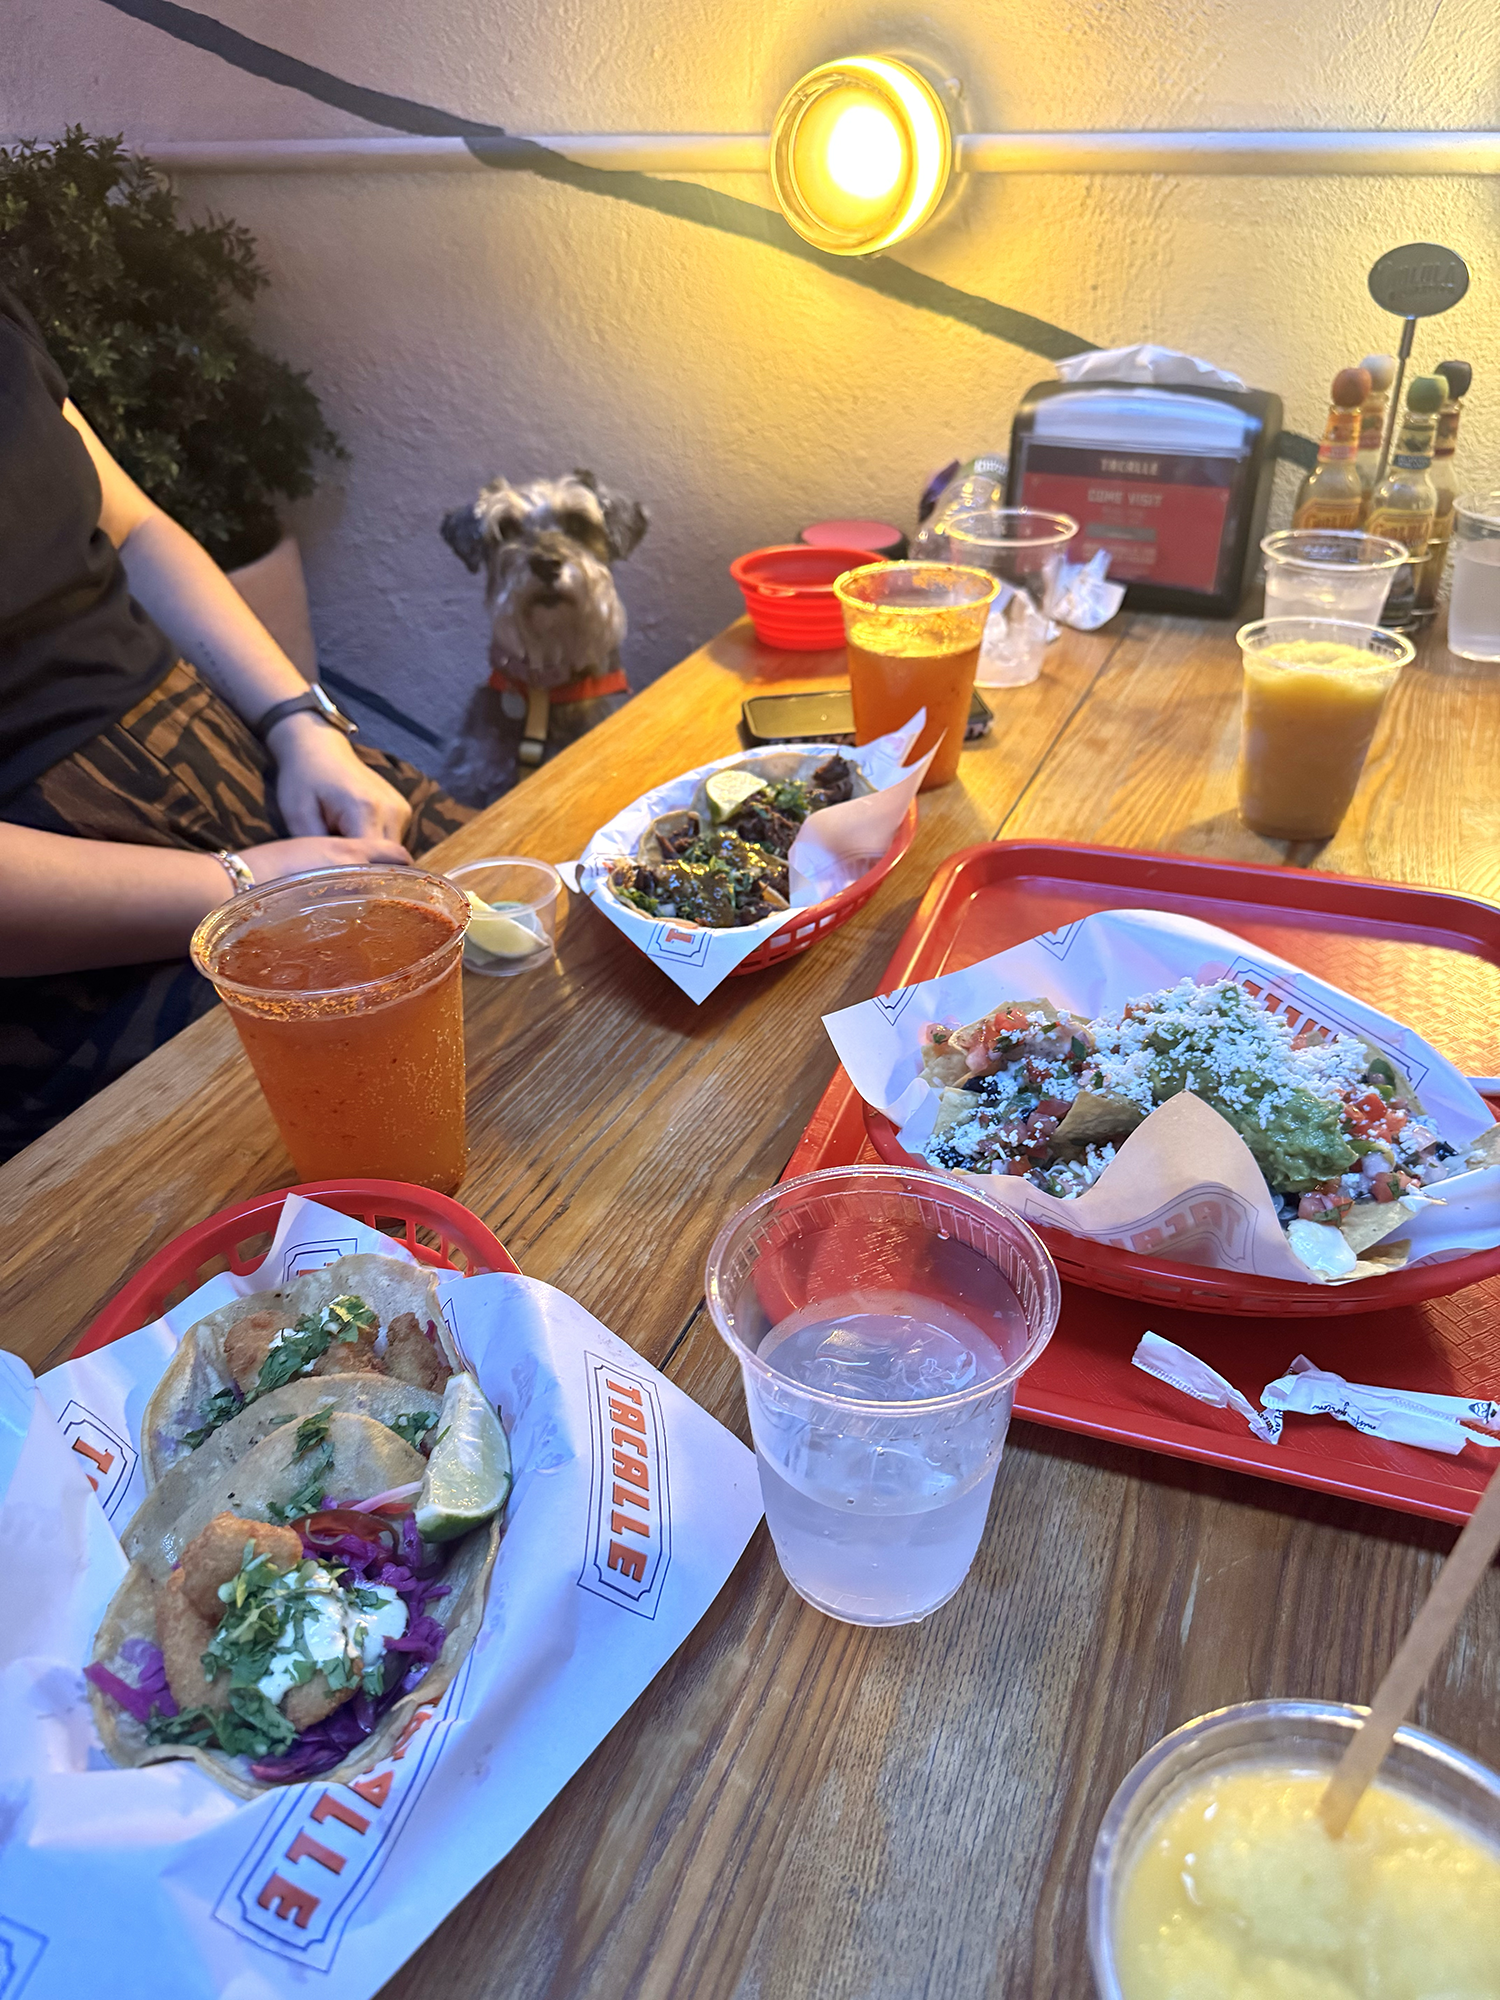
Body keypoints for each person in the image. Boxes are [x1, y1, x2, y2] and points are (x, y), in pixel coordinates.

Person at [0, 283, 471, 1161]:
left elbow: (133, 528)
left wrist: (301, 725)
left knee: (519, 947)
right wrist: (238, 885)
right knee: (326, 1145)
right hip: (67, 903)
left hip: (214, 738)